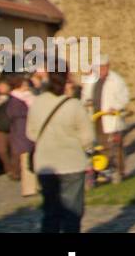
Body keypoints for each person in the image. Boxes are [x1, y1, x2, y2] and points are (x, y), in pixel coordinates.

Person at [27, 70, 94, 233]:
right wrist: (83, 147)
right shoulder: (74, 105)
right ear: (66, 82)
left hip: (46, 164)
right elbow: (88, 137)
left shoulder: (38, 103)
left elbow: (31, 133)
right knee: (72, 213)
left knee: (51, 212)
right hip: (71, 163)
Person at [85, 58, 129, 184]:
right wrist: (87, 102)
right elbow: (85, 95)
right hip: (96, 117)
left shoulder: (116, 80)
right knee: (99, 146)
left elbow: (124, 97)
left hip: (111, 118)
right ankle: (103, 171)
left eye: (103, 67)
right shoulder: (92, 80)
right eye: (99, 67)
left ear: (108, 66)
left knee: (115, 146)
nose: (101, 70)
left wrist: (115, 107)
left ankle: (119, 171)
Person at [5, 72, 38, 197]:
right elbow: (16, 115)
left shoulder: (26, 97)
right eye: (23, 83)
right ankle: (29, 189)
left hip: (28, 133)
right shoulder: (15, 100)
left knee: (32, 160)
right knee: (26, 163)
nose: (26, 85)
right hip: (22, 135)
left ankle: (34, 185)